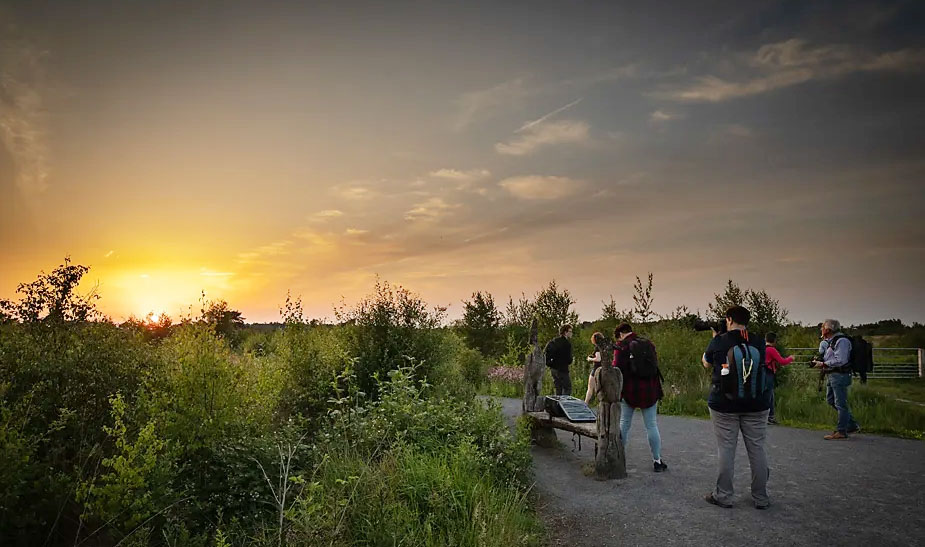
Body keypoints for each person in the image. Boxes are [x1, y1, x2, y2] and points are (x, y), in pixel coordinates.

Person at [702, 305, 771, 509]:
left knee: (726, 448)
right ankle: (761, 497)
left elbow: (706, 363)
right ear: (747, 321)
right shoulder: (758, 340)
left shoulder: (719, 340)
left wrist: (717, 337)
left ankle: (723, 495)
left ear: (729, 319)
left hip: (724, 404)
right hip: (758, 403)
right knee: (757, 448)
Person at [612, 322, 667, 472]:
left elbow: (616, 370)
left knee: (624, 423)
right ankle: (657, 460)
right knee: (651, 425)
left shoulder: (621, 347)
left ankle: (618, 458)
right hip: (650, 390)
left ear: (621, 334)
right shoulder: (648, 343)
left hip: (630, 391)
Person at [812, 319, 861, 440]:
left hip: (840, 375)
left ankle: (841, 431)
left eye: (823, 327)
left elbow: (841, 360)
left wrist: (823, 364)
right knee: (831, 401)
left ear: (828, 329)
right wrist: (821, 362)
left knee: (840, 404)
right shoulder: (832, 341)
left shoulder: (842, 341)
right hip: (832, 375)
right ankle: (851, 425)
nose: (821, 329)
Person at [764, 332, 794, 425]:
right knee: (769, 396)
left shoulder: (762, 348)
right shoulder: (771, 350)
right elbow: (782, 361)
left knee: (766, 395)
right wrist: (790, 358)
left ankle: (766, 416)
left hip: (761, 373)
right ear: (774, 341)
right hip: (768, 373)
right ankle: (769, 417)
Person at [584, 331, 614, 405]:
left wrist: (590, 359)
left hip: (596, 370)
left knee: (590, 388)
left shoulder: (598, 347)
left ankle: (585, 404)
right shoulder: (606, 347)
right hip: (605, 369)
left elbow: (598, 359)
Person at [544, 324, 574, 396]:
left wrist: (550, 364)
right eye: (570, 331)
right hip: (563, 369)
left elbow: (545, 355)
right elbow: (569, 359)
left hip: (554, 369)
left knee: (558, 389)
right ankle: (563, 405)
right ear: (565, 332)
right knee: (567, 388)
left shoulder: (553, 342)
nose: (571, 333)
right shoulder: (567, 344)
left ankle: (556, 406)